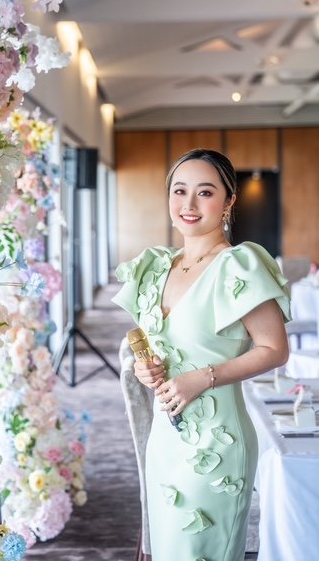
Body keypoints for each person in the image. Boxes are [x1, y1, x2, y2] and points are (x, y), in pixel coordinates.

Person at [112, 149, 290, 561]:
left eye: (205, 192)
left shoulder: (239, 266)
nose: (188, 205)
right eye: (179, 191)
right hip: (165, 440)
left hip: (218, 441)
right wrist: (146, 368)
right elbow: (159, 347)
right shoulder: (157, 266)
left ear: (229, 201)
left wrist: (202, 377)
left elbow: (275, 349)